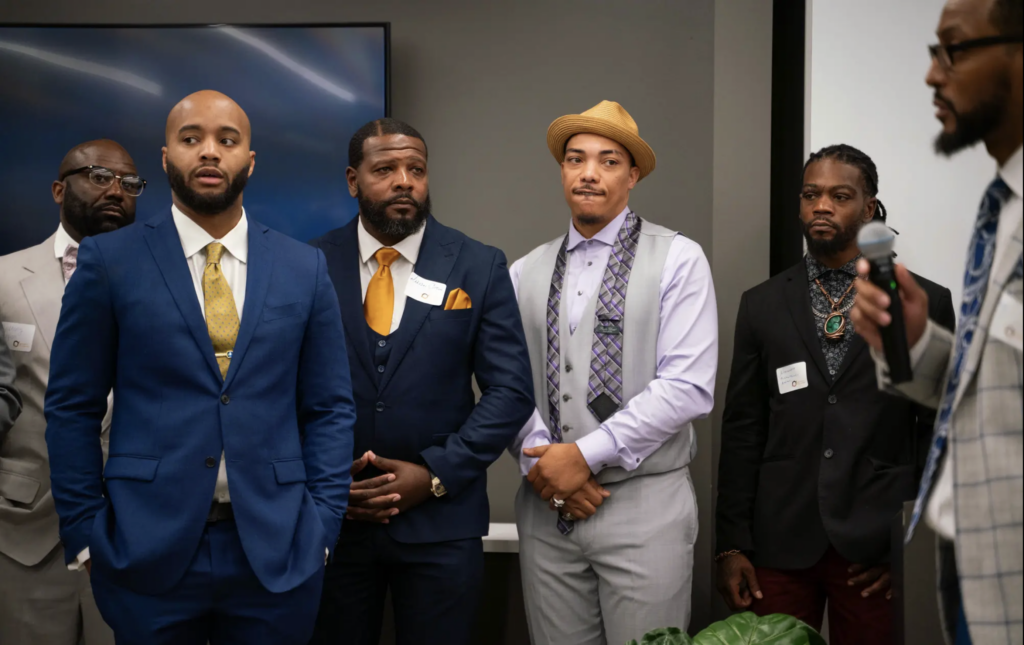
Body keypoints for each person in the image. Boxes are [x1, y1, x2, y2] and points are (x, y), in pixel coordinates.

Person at [43, 91, 356, 645]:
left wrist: (323, 525)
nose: (209, 152)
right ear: (166, 158)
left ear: (250, 161)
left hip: (279, 551)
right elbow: (72, 406)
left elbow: (329, 406)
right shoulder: (109, 261)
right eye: (191, 139)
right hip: (144, 551)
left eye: (226, 140)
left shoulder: (302, 267)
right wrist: (87, 535)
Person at [715, 144, 956, 644]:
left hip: (876, 543)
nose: (821, 206)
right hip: (780, 540)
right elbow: (743, 428)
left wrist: (911, 546)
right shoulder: (761, 304)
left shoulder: (923, 301)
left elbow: (936, 432)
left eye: (839, 196)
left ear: (868, 209)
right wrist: (731, 545)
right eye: (810, 195)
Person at [308, 118, 534, 645]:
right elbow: (281, 387)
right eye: (385, 169)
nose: (404, 181)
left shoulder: (478, 265)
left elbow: (510, 391)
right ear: (352, 180)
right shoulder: (309, 264)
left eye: (416, 169)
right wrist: (325, 480)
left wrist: (433, 474)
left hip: (442, 523)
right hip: (334, 520)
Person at [508, 101, 718, 645]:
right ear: (562, 172)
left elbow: (688, 386)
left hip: (645, 507)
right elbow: (506, 382)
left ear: (633, 174)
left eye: (607, 160)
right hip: (548, 511)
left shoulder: (678, 258)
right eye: (575, 159)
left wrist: (582, 455)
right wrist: (545, 464)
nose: (589, 173)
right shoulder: (522, 270)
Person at [851, 1, 1022, 643]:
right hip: (978, 576)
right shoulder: (1001, 205)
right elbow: (995, 387)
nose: (931, 74)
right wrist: (920, 342)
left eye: (953, 48)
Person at [0, 139, 141, 645]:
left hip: (133, 531)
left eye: (129, 184)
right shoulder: (3, 278)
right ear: (60, 189)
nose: (116, 192)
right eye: (99, 177)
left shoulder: (166, 284)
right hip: (24, 529)